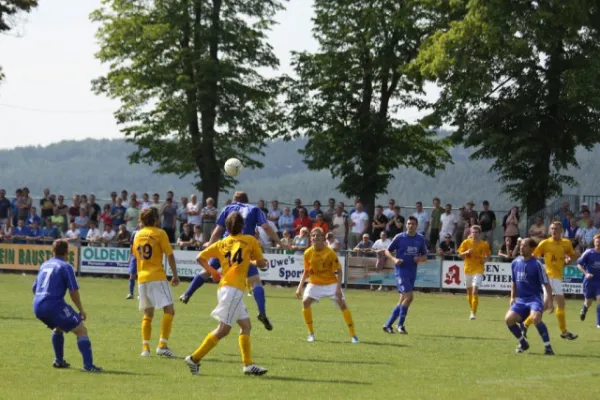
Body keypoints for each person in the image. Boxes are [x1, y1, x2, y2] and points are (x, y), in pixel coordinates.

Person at [180, 191, 282, 332]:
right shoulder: (254, 209)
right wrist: (279, 242)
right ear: (247, 200)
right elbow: (266, 227)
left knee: (206, 271)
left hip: (226, 247)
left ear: (234, 200)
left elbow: (217, 232)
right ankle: (262, 311)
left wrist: (210, 244)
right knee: (255, 282)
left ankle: (187, 293)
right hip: (245, 247)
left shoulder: (228, 208)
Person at [184, 211, 268, 376]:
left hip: (226, 288)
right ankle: (194, 358)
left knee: (246, 326)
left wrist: (213, 272)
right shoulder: (250, 240)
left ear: (227, 227)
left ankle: (248, 365)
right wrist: (264, 262)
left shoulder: (222, 243)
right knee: (223, 329)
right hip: (234, 290)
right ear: (243, 226)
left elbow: (200, 257)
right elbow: (261, 263)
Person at [32, 239, 103, 372]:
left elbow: (34, 288)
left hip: (37, 305)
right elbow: (73, 291)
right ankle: (89, 366)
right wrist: (81, 309)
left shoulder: (45, 265)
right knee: (81, 330)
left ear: (52, 251)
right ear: (67, 252)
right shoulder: (66, 266)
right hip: (53, 304)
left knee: (58, 327)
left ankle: (59, 361)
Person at [296, 227, 359, 343]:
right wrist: (299, 286)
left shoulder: (330, 252)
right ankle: (310, 334)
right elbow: (306, 271)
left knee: (342, 304)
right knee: (305, 302)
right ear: (311, 238)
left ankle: (353, 335)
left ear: (323, 238)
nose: (316, 237)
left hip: (331, 283)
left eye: (318, 235)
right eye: (313, 236)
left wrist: (338, 289)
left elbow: (339, 271)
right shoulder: (307, 253)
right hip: (315, 283)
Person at [133, 207, 180, 357]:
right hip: (157, 277)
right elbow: (170, 255)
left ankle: (145, 348)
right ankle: (162, 345)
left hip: (142, 278)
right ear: (155, 220)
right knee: (169, 310)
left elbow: (135, 255)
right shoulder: (160, 233)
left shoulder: (137, 235)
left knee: (148, 313)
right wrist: (175, 275)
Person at [522, 221, 578, 340]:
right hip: (550, 276)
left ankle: (525, 324)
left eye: (556, 228)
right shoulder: (545, 243)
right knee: (557, 305)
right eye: (552, 229)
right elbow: (534, 256)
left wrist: (568, 259)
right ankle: (563, 331)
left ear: (561, 230)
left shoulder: (566, 243)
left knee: (546, 306)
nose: (553, 231)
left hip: (557, 276)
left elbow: (572, 255)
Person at [505, 238, 554, 355]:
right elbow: (514, 282)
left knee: (536, 318)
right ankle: (523, 343)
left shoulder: (537, 264)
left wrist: (550, 300)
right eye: (521, 245)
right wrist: (512, 297)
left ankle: (548, 347)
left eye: (525, 246)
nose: (522, 247)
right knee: (508, 320)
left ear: (532, 248)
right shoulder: (515, 262)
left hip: (534, 299)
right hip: (521, 300)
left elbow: (546, 284)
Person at [382, 216, 428, 334]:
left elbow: (425, 256)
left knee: (403, 299)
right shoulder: (399, 237)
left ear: (416, 225)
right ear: (406, 225)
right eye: (408, 223)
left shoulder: (420, 239)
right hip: (401, 271)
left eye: (413, 224)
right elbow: (387, 251)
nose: (410, 225)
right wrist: (394, 259)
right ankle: (400, 325)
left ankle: (387, 325)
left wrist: (419, 258)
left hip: (412, 271)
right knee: (409, 297)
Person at [458, 225, 491, 320]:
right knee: (469, 292)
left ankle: (473, 313)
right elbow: (459, 255)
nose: (475, 234)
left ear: (479, 234)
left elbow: (488, 256)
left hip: (478, 269)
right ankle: (472, 308)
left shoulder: (484, 244)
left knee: (474, 290)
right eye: (473, 232)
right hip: (468, 269)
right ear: (470, 233)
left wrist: (485, 260)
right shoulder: (466, 242)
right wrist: (466, 252)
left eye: (476, 232)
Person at [577, 234, 600, 327]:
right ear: (594, 243)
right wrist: (586, 273)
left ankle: (598, 322)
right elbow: (579, 264)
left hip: (599, 281)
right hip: (589, 281)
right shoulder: (588, 252)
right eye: (597, 242)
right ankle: (584, 309)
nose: (598, 243)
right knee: (588, 302)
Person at [126, 223, 140, 300]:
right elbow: (131, 245)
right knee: (132, 275)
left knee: (140, 276)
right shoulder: (134, 233)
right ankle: (131, 293)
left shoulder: (146, 232)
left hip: (142, 257)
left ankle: (140, 294)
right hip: (134, 256)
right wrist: (130, 256)